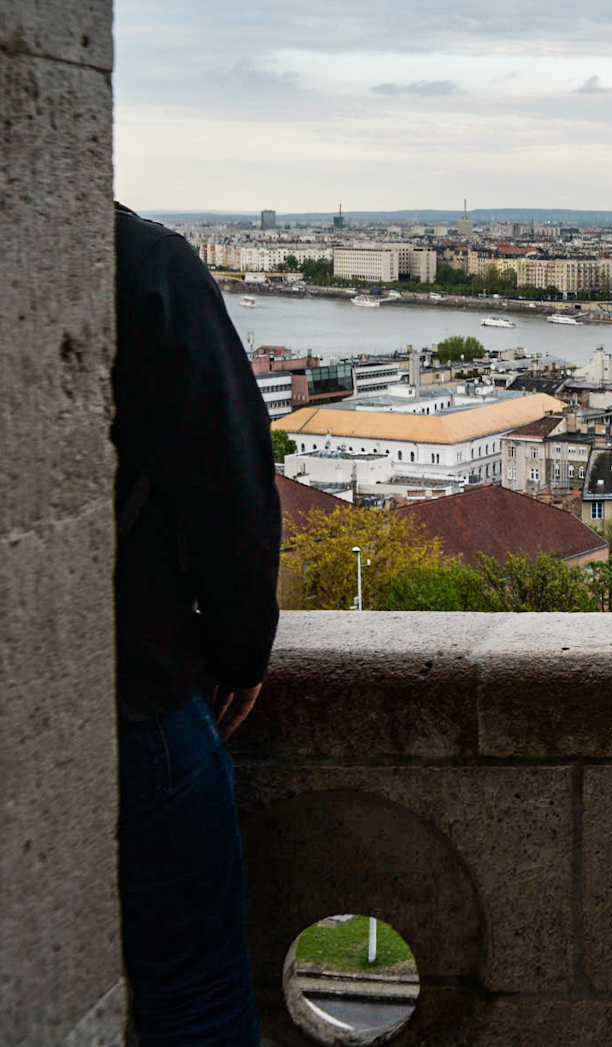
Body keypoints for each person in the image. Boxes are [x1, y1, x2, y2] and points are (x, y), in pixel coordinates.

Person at [113, 205, 281, 1045]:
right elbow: (233, 481)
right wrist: (241, 649)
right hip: (135, 688)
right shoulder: (145, 263)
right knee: (196, 994)